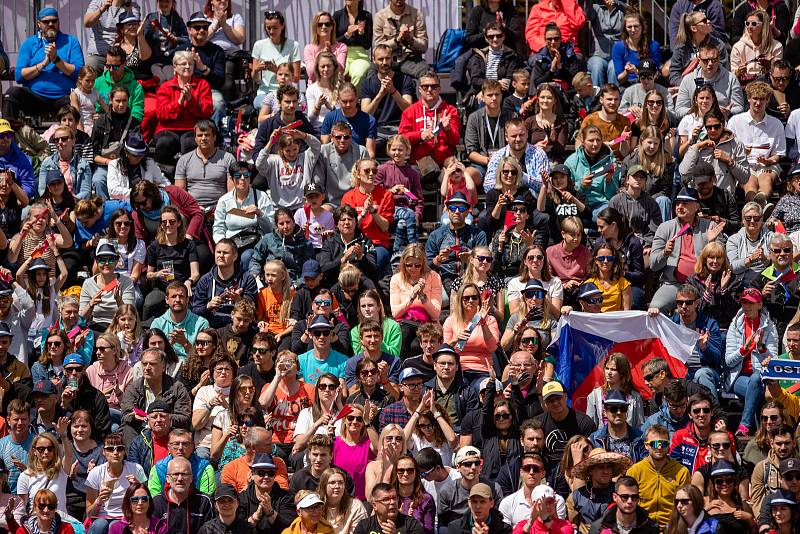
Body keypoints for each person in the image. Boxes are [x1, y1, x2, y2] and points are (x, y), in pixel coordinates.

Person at [649, 187, 724, 313]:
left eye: (685, 203)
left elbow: (721, 261)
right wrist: (665, 253)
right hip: (673, 284)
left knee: (705, 311)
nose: (679, 207)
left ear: (696, 207)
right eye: (677, 203)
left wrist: (711, 242)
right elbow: (653, 265)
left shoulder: (710, 227)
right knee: (655, 309)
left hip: (701, 284)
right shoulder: (665, 227)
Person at [3, 8, 84, 122]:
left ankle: (79, 136)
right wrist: (43, 64)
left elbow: (80, 73)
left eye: (54, 21)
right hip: (35, 98)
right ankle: (6, 136)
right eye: (46, 22)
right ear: (39, 24)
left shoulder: (71, 42)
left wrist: (56, 60)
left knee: (77, 98)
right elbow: (18, 76)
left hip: (64, 98)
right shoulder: (29, 43)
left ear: (58, 22)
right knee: (12, 93)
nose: (51, 24)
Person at [725, 287, 777, 435]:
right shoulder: (735, 325)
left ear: (760, 305)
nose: (747, 307)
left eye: (751, 303)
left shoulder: (770, 327)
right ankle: (751, 427)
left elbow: (772, 359)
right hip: (738, 377)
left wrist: (761, 347)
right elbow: (729, 361)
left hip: (760, 378)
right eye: (744, 302)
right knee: (756, 389)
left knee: (756, 381)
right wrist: (744, 349)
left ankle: (746, 427)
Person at [727, 81, 786, 204]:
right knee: (750, 185)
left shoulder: (776, 124)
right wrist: (742, 152)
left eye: (762, 99)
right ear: (748, 98)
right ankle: (756, 210)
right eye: (755, 98)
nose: (758, 103)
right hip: (744, 164)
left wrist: (770, 160)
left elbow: (778, 154)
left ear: (767, 100)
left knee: (767, 179)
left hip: (767, 165)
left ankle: (758, 204)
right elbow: (728, 150)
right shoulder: (735, 121)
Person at [153, 51, 213, 170]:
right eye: (183, 64)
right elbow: (160, 114)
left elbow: (207, 112)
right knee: (165, 142)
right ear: (174, 67)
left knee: (190, 142)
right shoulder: (166, 86)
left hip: (193, 127)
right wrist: (179, 102)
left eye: (191, 64)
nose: (187, 67)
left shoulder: (202, 84)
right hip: (168, 127)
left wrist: (191, 100)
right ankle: (163, 175)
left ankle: (192, 175)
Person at [119, 348, 192, 444]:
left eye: (152, 364)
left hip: (167, 430)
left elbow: (184, 417)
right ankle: (134, 458)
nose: (147, 368)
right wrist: (133, 416)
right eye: (144, 364)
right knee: (127, 429)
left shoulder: (176, 387)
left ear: (163, 366)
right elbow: (126, 414)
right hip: (140, 428)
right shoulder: (134, 387)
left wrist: (163, 418)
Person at [627, 424, 690, 529]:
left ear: (669, 445)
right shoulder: (635, 472)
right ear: (646, 445)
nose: (659, 447)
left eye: (663, 443)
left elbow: (686, 506)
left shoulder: (681, 472)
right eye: (655, 444)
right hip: (642, 527)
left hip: (672, 528)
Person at [84, 432, 147, 534]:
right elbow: (89, 514)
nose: (115, 452)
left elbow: (147, 502)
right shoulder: (96, 473)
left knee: (116, 525)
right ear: (103, 452)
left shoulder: (136, 469)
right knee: (100, 525)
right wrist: (99, 500)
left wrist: (137, 488)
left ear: (124, 451)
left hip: (127, 516)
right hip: (101, 517)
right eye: (110, 449)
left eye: (120, 448)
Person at [666, 285, 724, 394]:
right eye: (680, 302)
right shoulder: (670, 324)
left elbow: (717, 358)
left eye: (688, 303)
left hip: (705, 369)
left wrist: (704, 348)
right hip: (681, 370)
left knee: (701, 374)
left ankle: (713, 409)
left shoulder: (710, 324)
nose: (683, 306)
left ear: (696, 303)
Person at [678, 108, 749, 197]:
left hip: (724, 199)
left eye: (716, 126)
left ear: (723, 125)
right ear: (705, 127)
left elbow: (745, 178)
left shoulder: (736, 144)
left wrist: (730, 161)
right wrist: (697, 147)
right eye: (709, 127)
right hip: (700, 198)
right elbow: (684, 173)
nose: (713, 130)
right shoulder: (697, 145)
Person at [398, 71, 460, 172]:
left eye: (434, 86)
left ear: (439, 89)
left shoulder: (450, 110)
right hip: (417, 165)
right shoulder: (410, 111)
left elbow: (455, 140)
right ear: (419, 90)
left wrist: (447, 129)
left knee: (453, 178)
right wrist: (419, 135)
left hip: (445, 164)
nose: (429, 90)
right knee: (408, 177)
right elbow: (402, 139)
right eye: (425, 87)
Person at [192, 239, 258, 329]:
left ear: (235, 256)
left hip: (238, 328)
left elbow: (253, 310)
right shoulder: (205, 280)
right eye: (218, 252)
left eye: (225, 253)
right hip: (212, 329)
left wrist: (239, 300)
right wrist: (208, 306)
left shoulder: (247, 279)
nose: (221, 256)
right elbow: (195, 311)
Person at [174, 120, 235, 211]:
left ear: (214, 137)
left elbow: (232, 193)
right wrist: (193, 208)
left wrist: (219, 209)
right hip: (192, 208)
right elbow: (180, 193)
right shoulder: (184, 160)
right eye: (199, 135)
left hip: (220, 208)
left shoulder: (228, 158)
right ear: (195, 139)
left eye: (207, 135)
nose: (203, 138)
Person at [567, 448, 631, 533]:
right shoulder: (576, 497)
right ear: (590, 470)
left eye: (608, 467)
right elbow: (571, 526)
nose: (606, 471)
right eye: (601, 467)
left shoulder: (622, 494)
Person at [675, 44, 744, 119]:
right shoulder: (688, 80)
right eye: (705, 61)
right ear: (699, 60)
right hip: (695, 123)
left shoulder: (731, 79)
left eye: (714, 60)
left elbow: (739, 107)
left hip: (722, 122)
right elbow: (679, 110)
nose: (710, 64)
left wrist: (729, 112)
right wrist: (698, 111)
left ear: (718, 60)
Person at [250, 10, 300, 109]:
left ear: (282, 26)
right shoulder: (259, 45)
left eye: (275, 28)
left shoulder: (293, 45)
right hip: (264, 92)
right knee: (266, 105)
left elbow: (296, 78)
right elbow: (256, 79)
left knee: (280, 106)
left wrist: (277, 71)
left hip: (287, 93)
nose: (271, 31)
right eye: (268, 28)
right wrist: (256, 70)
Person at [151, 457, 215, 534]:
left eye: (184, 474)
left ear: (191, 478)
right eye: (175, 474)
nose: (180, 478)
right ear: (167, 478)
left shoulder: (204, 502)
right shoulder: (156, 502)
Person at [359, 44, 414, 128]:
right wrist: (380, 95)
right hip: (376, 129)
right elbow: (365, 115)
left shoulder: (405, 80)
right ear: (374, 60)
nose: (384, 62)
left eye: (387, 58)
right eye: (380, 59)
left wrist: (393, 91)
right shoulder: (367, 83)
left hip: (398, 127)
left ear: (392, 58)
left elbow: (409, 111)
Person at [372, 0, 429, 79]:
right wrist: (397, 40)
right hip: (388, 59)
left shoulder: (416, 14)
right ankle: (380, 91)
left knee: (425, 72)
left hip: (410, 59)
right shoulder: (380, 16)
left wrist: (411, 40)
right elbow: (378, 48)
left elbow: (424, 46)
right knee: (371, 72)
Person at [750, 425, 798, 514]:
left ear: (794, 443)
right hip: (770, 521)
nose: (783, 448)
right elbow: (757, 502)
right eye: (779, 444)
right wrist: (765, 524)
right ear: (772, 443)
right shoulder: (762, 468)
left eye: (787, 443)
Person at [320, 84, 378, 159]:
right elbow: (324, 146)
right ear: (338, 99)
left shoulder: (369, 120)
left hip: (358, 159)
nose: (348, 105)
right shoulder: (330, 117)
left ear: (357, 98)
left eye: (351, 101)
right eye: (344, 101)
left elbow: (370, 153)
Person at [588, 476, 658, 534]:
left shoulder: (651, 527)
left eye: (634, 497)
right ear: (615, 497)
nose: (630, 501)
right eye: (624, 497)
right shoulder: (598, 528)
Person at [731, 10, 783, 85]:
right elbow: (732, 75)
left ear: (764, 25)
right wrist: (737, 72)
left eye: (754, 24)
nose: (749, 26)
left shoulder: (776, 46)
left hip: (768, 86)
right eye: (747, 23)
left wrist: (769, 67)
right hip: (745, 86)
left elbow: (779, 77)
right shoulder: (738, 47)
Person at [704, 460, 755, 534]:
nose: (724, 484)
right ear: (713, 484)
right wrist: (707, 509)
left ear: (734, 482)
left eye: (729, 480)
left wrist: (750, 519)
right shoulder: (705, 502)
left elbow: (754, 531)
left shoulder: (743, 505)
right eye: (719, 481)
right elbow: (694, 526)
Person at [612, 12, 660, 87]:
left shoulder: (653, 46)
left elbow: (655, 75)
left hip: (648, 84)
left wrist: (637, 71)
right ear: (625, 29)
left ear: (642, 27)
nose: (633, 30)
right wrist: (626, 72)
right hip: (628, 85)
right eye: (629, 27)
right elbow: (620, 79)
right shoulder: (618, 47)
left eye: (636, 26)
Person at [319, 466, 367, 534]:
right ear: (324, 485)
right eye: (332, 483)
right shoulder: (315, 505)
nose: (337, 486)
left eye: (341, 482)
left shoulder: (356, 506)